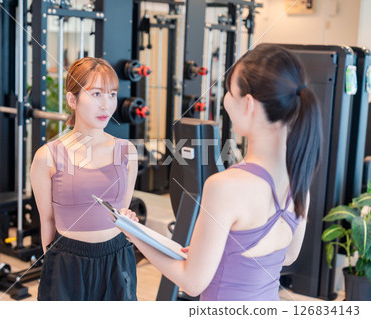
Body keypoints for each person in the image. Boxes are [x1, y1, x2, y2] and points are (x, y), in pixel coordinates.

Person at [119, 44, 322, 301]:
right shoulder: (298, 180)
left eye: (229, 91)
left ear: (248, 104)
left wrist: (135, 234)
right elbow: (286, 255)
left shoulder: (225, 186)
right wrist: (217, 252)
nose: (225, 100)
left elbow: (192, 283)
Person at [30, 57, 139, 301]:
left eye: (111, 94)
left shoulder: (127, 151)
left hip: (117, 257)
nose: (106, 105)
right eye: (96, 94)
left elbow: (122, 211)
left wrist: (129, 220)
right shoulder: (47, 156)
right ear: (72, 99)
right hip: (67, 261)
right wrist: (53, 268)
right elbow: (47, 221)